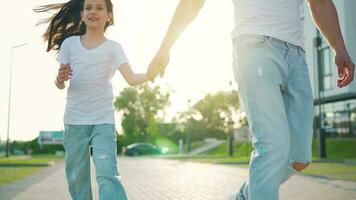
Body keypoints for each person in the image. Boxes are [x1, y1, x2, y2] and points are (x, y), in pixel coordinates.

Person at [146, 0, 355, 199]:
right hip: (254, 46)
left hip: (296, 56)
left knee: (299, 158)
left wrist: (339, 48)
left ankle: (244, 196)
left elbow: (320, 2)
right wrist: (165, 48)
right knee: (272, 146)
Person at [35, 0, 149, 199]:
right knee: (77, 177)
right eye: (88, 7)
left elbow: (131, 79)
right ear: (82, 14)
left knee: (107, 173)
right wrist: (60, 78)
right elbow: (60, 84)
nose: (93, 11)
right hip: (74, 121)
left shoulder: (114, 47)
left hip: (102, 120)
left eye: (99, 8)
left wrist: (151, 74)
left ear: (109, 15)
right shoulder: (69, 44)